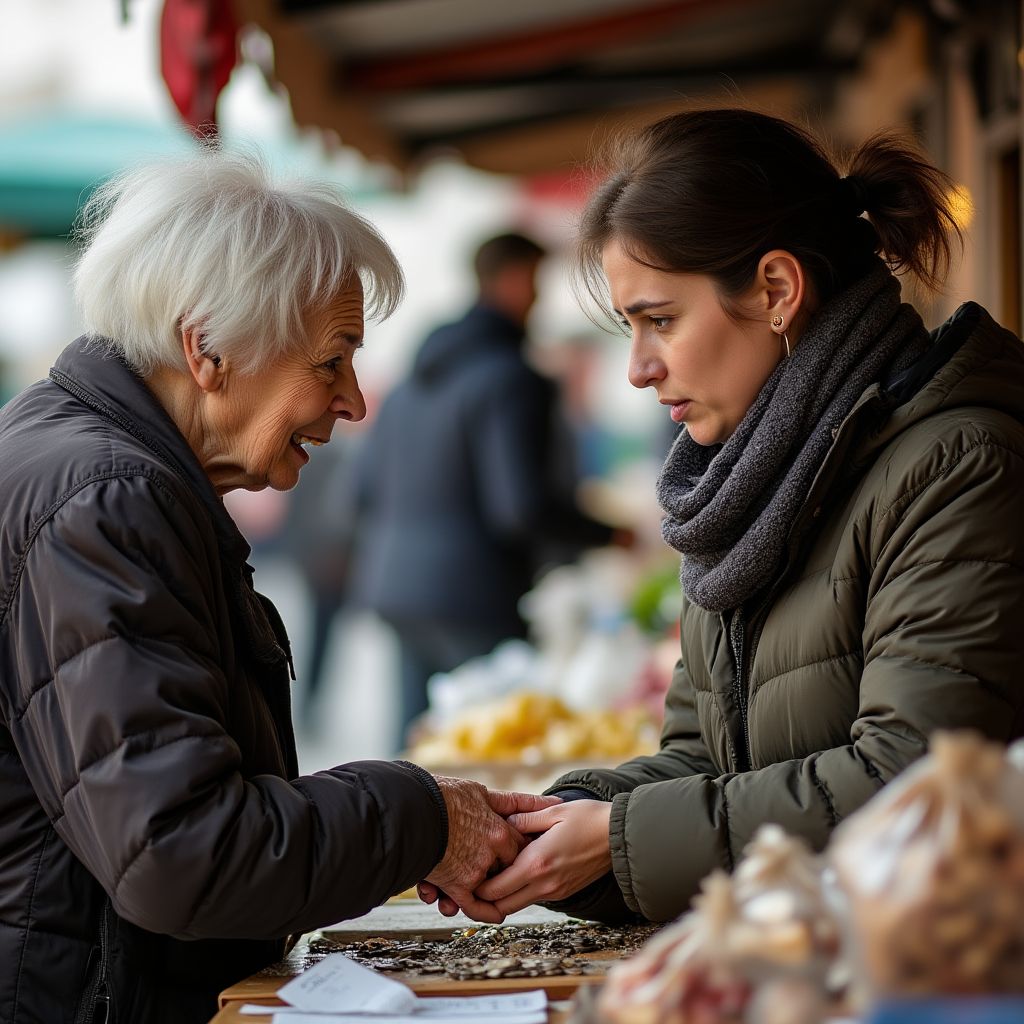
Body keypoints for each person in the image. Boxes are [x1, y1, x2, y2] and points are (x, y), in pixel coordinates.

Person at [421, 108, 1024, 925]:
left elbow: (916, 781)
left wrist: (619, 835)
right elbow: (703, 757)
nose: (638, 369)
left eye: (659, 320)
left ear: (776, 290)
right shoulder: (742, 484)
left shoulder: (956, 467)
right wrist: (544, 822)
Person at [0, 150, 555, 1024]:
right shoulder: (109, 500)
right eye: (331, 361)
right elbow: (182, 852)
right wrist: (421, 818)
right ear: (207, 347)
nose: (355, 402)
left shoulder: (87, 465)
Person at [350, 232, 621, 750]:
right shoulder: (510, 378)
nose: (539, 299)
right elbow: (518, 508)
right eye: (538, 283)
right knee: (492, 753)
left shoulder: (411, 384)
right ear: (515, 280)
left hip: (395, 585)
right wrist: (608, 534)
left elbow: (361, 490)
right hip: (475, 594)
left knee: (419, 750)